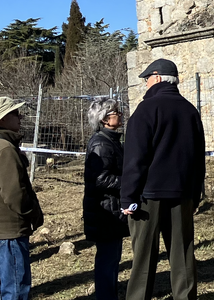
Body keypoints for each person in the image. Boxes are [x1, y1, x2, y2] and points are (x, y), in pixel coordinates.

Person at [122, 58, 207, 300]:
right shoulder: (190, 110)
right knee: (183, 253)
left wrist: (128, 196)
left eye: (147, 79)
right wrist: (195, 193)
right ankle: (186, 296)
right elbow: (198, 157)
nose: (145, 84)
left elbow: (135, 159)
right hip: (182, 193)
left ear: (157, 78)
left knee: (144, 257)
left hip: (149, 195)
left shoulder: (146, 110)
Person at [0, 96, 45, 300]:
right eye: (15, 113)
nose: (20, 117)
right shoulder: (4, 149)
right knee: (15, 289)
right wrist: (34, 214)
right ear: (2, 119)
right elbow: (15, 195)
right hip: (8, 231)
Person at [84, 98, 128, 300]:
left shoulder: (111, 141)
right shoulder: (101, 144)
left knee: (111, 260)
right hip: (105, 212)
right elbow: (101, 179)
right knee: (107, 261)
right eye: (115, 112)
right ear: (103, 120)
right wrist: (129, 183)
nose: (120, 115)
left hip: (110, 209)